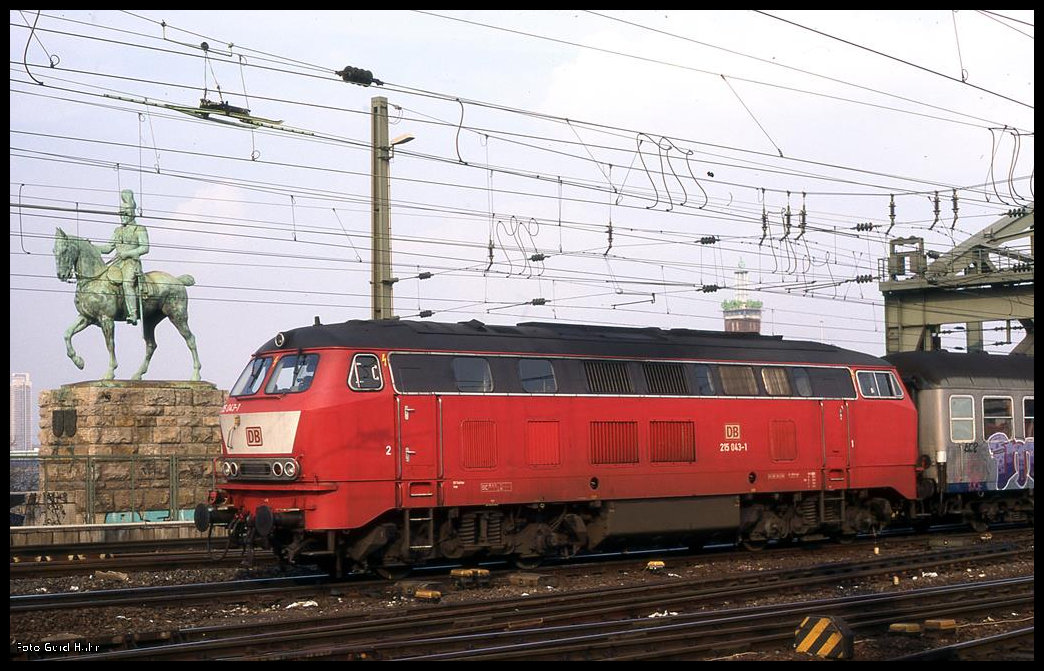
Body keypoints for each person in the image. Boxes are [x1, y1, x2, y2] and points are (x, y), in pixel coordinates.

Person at [96, 189, 149, 325]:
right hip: (117, 263)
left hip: (131, 263)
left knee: (127, 283)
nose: (122, 216)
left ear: (131, 213)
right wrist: (92, 248)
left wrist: (128, 253)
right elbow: (108, 248)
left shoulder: (139, 229)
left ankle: (132, 313)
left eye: (125, 213)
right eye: (121, 213)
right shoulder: (118, 230)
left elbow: (145, 247)